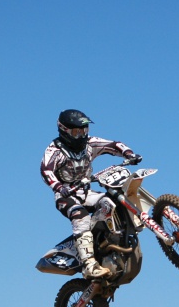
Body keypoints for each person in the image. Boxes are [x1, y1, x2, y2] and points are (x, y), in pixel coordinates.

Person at [40, 109, 142, 278]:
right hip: (66, 195)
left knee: (111, 202)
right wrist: (58, 186)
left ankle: (111, 240)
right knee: (80, 217)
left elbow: (113, 145)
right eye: (76, 131)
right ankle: (89, 264)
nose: (81, 135)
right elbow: (46, 170)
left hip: (87, 192)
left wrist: (129, 153)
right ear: (65, 131)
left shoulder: (90, 144)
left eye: (84, 130)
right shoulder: (54, 150)